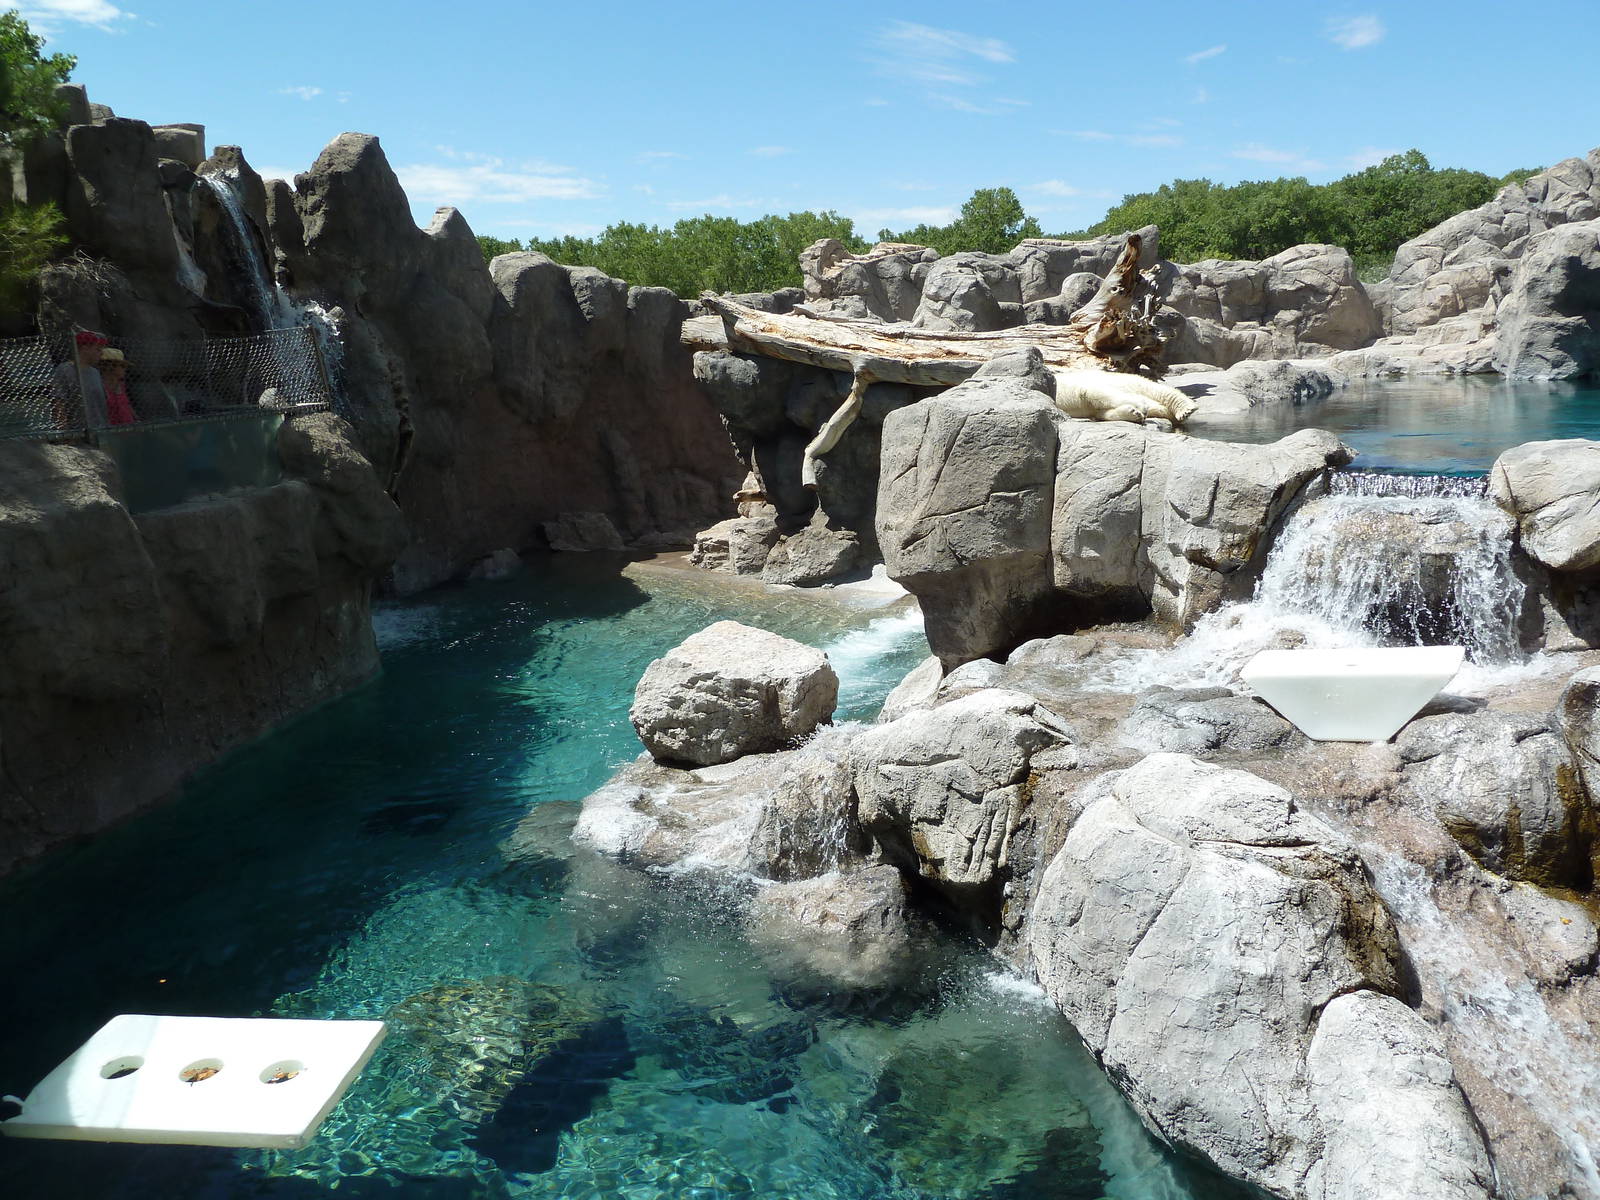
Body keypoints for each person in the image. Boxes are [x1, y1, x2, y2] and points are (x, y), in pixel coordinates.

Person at [50, 329, 109, 430]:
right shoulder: (65, 370)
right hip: (78, 431)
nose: (101, 354)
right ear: (85, 348)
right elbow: (58, 401)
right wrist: (65, 430)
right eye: (98, 349)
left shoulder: (95, 372)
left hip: (101, 429)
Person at [99, 347, 136, 426]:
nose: (125, 369)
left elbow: (126, 404)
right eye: (122, 366)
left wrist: (136, 418)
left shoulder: (121, 384)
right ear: (111, 367)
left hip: (128, 425)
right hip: (110, 427)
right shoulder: (99, 385)